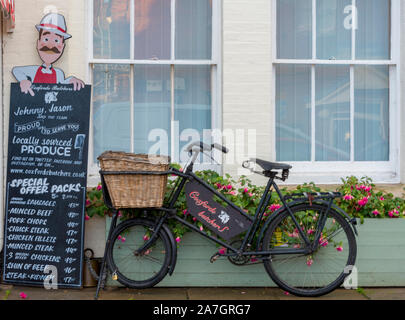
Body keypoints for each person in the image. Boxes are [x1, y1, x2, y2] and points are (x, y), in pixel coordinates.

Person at [12, 13, 85, 96]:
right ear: (38, 43)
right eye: (46, 39)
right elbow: (16, 70)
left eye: (56, 41)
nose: (50, 46)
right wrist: (24, 80)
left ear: (62, 47)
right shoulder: (33, 71)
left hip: (53, 107)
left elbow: (63, 85)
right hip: (34, 107)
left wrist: (72, 80)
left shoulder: (59, 73)